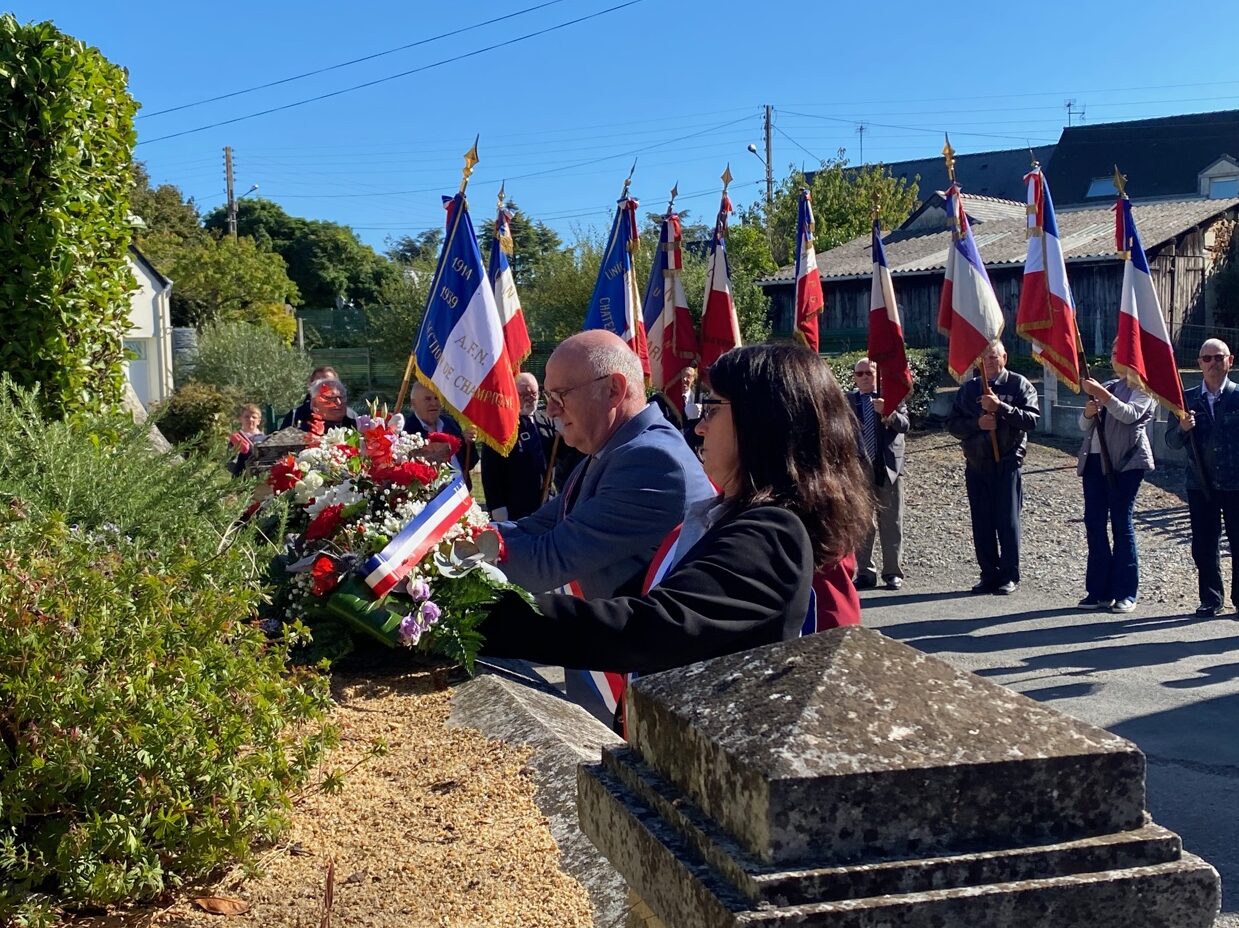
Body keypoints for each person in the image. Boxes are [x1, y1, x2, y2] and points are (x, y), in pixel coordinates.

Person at [478, 343, 874, 677]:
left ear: (761, 424)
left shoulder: (773, 531)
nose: (699, 427)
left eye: (713, 408)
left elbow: (649, 627)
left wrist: (481, 613)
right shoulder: (735, 516)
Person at [492, 330, 714, 600]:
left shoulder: (651, 462)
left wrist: (448, 550)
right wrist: (459, 532)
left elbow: (544, 563)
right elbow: (536, 526)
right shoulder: (618, 448)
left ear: (613, 390)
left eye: (560, 395)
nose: (550, 411)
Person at [947, 340, 1040, 595]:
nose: (988, 361)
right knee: (982, 522)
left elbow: (1031, 421)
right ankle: (988, 573)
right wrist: (978, 423)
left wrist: (1001, 407)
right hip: (977, 464)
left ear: (1004, 358)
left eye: (993, 356)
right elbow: (953, 425)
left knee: (1007, 522)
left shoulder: (1019, 385)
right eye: (984, 358)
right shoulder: (969, 390)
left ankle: (1009, 575)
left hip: (1007, 464)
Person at [1076, 353, 1155, 614]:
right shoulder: (1109, 385)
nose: (1116, 357)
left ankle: (1125, 592)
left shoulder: (1143, 388)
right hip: (1094, 463)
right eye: (1113, 353)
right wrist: (1088, 414)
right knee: (1095, 524)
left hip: (1125, 464)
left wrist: (1104, 397)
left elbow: (1130, 415)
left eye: (1121, 352)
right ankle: (1099, 590)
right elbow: (1083, 426)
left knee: (1122, 524)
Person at [1166, 338, 1239, 617]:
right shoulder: (1185, 399)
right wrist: (1183, 428)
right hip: (1201, 484)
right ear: (1199, 364)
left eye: (1218, 358)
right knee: (1204, 544)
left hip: (1235, 483)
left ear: (1229, 361)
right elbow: (1171, 441)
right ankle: (1211, 598)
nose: (1213, 364)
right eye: (1207, 359)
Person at [848, 357, 908, 591]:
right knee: (862, 523)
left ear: (877, 374)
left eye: (869, 373)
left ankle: (892, 572)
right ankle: (865, 572)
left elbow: (905, 425)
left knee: (891, 522)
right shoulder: (848, 401)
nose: (864, 377)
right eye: (859, 374)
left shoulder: (891, 396)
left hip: (888, 468)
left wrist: (889, 412)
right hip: (859, 470)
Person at [480, 372, 558, 521]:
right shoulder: (500, 427)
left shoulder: (546, 420)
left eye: (534, 393)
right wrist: (497, 508)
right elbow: (490, 473)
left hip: (546, 504)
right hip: (515, 507)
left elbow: (561, 456)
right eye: (524, 395)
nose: (531, 399)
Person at [404, 382, 473, 489]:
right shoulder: (407, 431)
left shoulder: (450, 424)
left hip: (461, 494)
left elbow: (469, 463)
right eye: (428, 399)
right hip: (432, 499)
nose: (434, 403)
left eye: (436, 398)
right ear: (414, 403)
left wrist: (467, 441)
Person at [279, 366, 350, 430]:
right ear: (310, 386)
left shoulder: (349, 415)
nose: (324, 385)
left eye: (330, 382)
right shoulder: (296, 414)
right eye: (319, 382)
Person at [226, 403, 267, 476]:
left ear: (259, 421)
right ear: (241, 419)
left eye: (254, 417)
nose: (250, 419)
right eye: (247, 417)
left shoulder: (265, 439)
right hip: (241, 479)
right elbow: (229, 464)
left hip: (261, 478)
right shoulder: (236, 439)